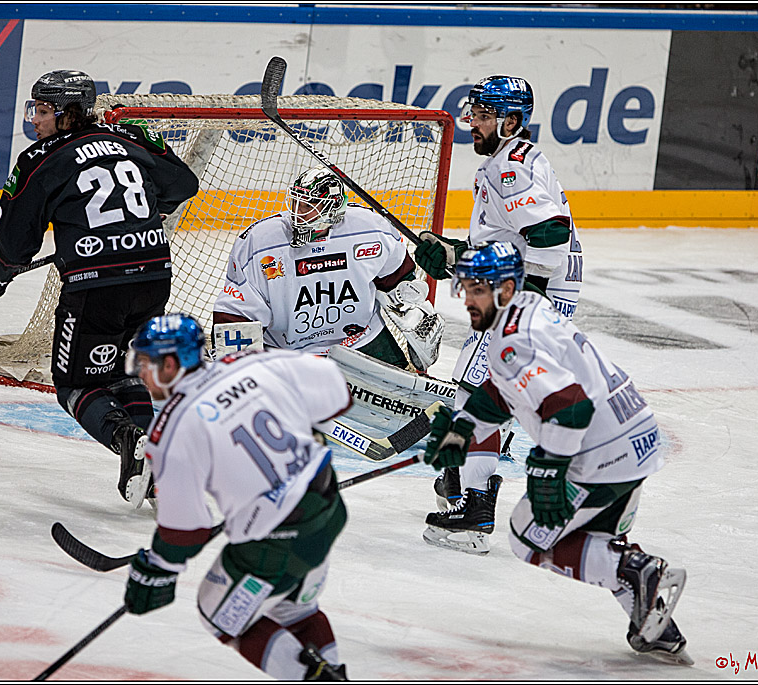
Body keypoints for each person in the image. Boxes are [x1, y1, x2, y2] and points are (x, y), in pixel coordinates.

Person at [422, 241, 690, 663]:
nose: (468, 300)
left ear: (506, 288)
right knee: (597, 540)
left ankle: (640, 573)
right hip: (635, 435)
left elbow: (569, 406)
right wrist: (464, 429)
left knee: (527, 535)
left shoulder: (511, 341)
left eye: (478, 289)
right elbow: (502, 390)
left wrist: (549, 473)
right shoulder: (532, 307)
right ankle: (654, 625)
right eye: (467, 288)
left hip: (602, 451)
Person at [0, 70, 199, 509]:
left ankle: (124, 437)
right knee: (127, 371)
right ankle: (158, 467)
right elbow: (184, 185)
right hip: (153, 275)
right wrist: (139, 219)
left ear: (67, 113)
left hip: (96, 288)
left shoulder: (39, 160)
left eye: (42, 110)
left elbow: (15, 246)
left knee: (74, 385)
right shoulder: (130, 137)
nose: (34, 120)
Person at [121, 314, 351, 680]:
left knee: (218, 612)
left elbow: (186, 530)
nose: (142, 375)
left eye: (147, 364)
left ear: (169, 364)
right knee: (294, 610)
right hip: (327, 507)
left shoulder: (173, 431)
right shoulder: (252, 363)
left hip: (277, 542)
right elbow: (333, 387)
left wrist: (159, 568)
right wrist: (307, 436)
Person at [413, 75, 584, 537]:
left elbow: (550, 233)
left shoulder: (511, 168)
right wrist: (453, 255)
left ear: (511, 122)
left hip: (528, 296)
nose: (474, 123)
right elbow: (505, 241)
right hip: (525, 293)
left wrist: (527, 300)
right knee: (479, 392)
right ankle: (469, 494)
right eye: (475, 113)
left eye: (485, 116)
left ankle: (474, 506)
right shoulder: (507, 161)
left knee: (475, 395)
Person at [212, 165, 443, 373]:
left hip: (363, 341)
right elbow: (238, 314)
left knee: (402, 409)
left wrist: (415, 315)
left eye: (308, 205)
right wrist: (237, 368)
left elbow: (398, 281)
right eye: (296, 202)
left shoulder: (370, 229)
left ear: (332, 208)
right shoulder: (261, 242)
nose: (297, 212)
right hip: (288, 354)